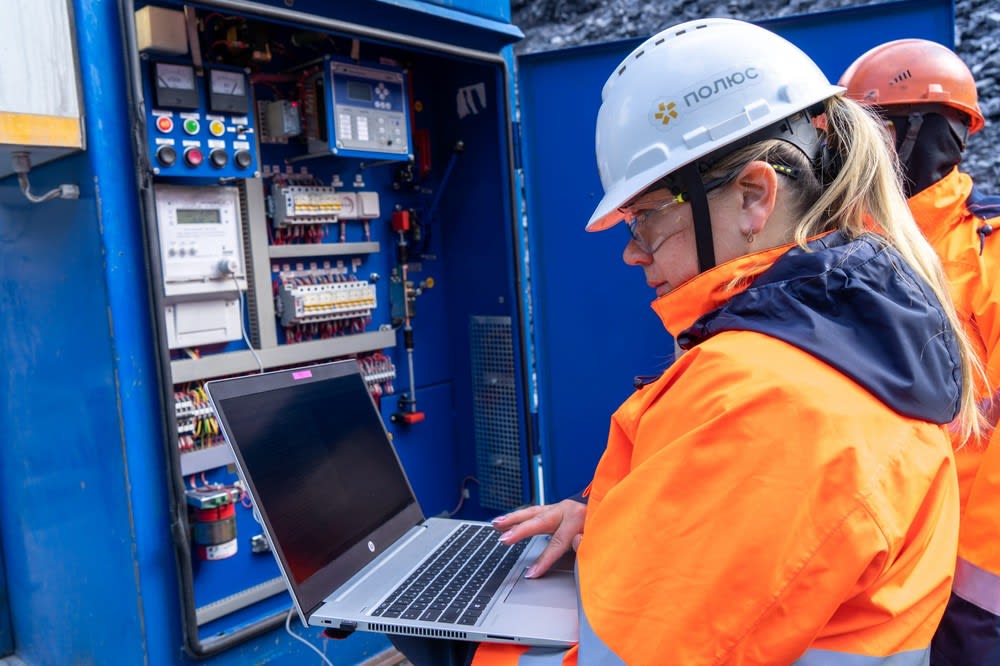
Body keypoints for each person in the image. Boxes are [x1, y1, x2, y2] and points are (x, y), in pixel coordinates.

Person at [392, 18, 984, 665]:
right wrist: (616, 522)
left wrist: (459, 645)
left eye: (646, 216)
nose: (631, 252)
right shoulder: (841, 338)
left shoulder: (769, 401)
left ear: (754, 196)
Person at [839, 39, 1000, 665]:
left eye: (868, 131)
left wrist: (977, 597)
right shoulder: (832, 254)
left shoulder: (987, 254)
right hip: (865, 565)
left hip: (961, 585)